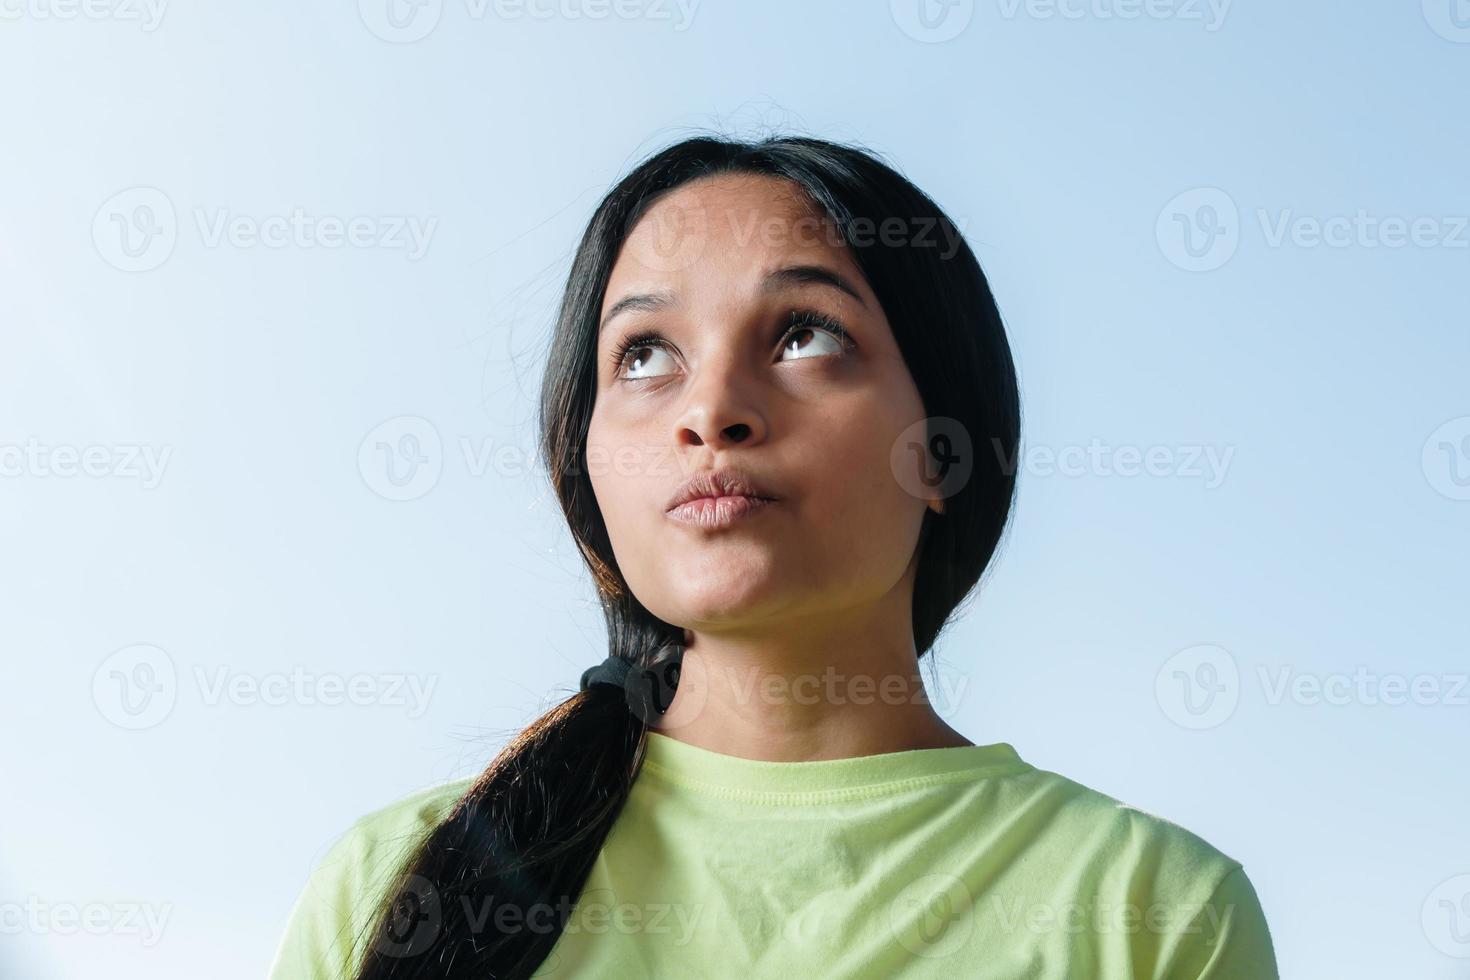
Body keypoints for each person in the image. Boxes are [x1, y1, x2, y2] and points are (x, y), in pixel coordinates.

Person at [267, 134, 1279, 979]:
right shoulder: (392, 885)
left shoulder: (1153, 913)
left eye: (804, 333)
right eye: (646, 354)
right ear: (587, 458)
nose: (711, 411)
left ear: (942, 447)